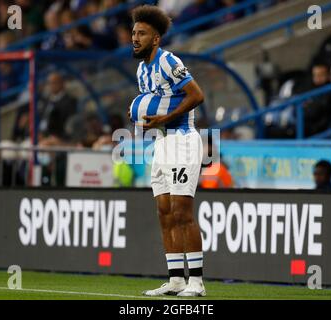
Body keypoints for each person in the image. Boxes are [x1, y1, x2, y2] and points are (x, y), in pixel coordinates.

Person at [130, 5, 206, 297]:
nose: (135, 38)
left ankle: (196, 282)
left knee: (181, 211)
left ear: (156, 38)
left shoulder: (168, 61)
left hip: (183, 140)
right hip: (161, 142)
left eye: (142, 33)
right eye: (134, 32)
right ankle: (176, 279)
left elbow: (197, 95)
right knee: (163, 212)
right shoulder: (141, 69)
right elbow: (158, 102)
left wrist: (163, 118)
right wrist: (147, 119)